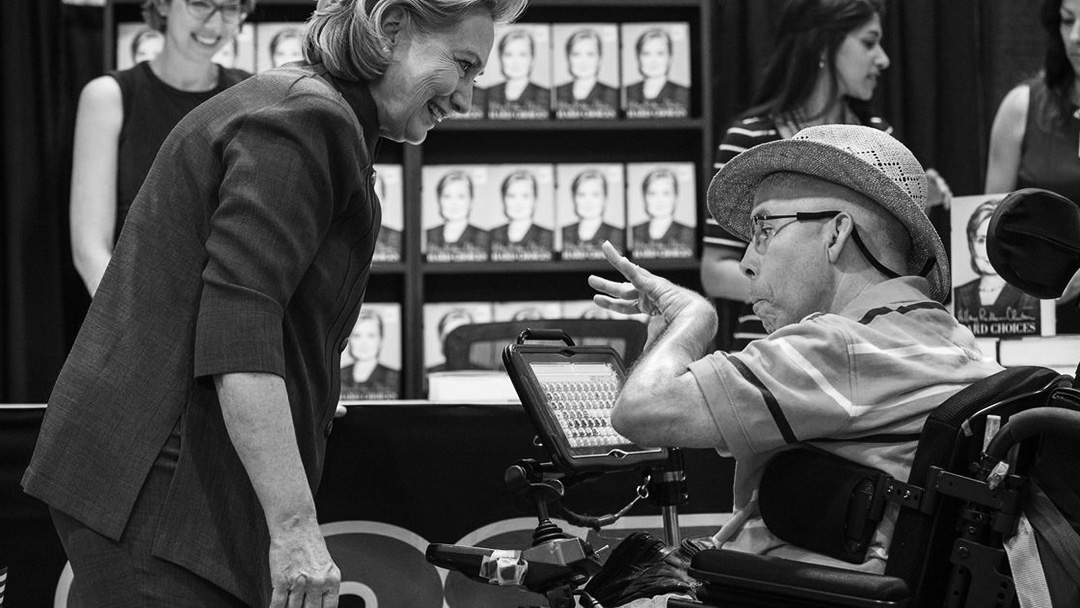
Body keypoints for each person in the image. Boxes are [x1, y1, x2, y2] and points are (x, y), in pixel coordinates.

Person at [23, 1, 525, 606]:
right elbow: (241, 328)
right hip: (162, 495)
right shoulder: (308, 117)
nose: (466, 98)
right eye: (462, 65)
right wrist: (294, 527)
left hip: (161, 491)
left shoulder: (309, 106)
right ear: (391, 29)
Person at [588, 125, 1002, 606]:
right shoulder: (955, 341)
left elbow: (639, 410)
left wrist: (692, 319)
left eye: (764, 230)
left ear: (836, 233)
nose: (745, 262)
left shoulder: (836, 348)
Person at [700, 0, 951, 352]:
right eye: (868, 42)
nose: (883, 59)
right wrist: (802, 290)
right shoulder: (750, 137)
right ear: (823, 44)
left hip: (864, 342)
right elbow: (715, 270)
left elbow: (890, 260)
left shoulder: (879, 140)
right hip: (768, 343)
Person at [70, 0, 256, 297]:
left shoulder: (250, 96)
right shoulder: (108, 97)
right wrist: (130, 326)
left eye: (230, 8)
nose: (214, 22)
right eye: (200, 4)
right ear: (164, 5)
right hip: (132, 313)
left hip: (222, 316)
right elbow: (89, 249)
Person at [984, 0, 1080, 333]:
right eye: (1067, 21)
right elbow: (991, 226)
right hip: (1034, 324)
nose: (1076, 36)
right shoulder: (1021, 106)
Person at [953, 199, 1041, 334]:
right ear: (972, 244)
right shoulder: (958, 295)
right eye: (981, 240)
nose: (989, 250)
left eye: (998, 239)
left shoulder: (1029, 296)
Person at [623, 27, 690, 117]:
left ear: (670, 58)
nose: (653, 61)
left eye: (660, 53)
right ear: (638, 58)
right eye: (646, 54)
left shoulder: (683, 93)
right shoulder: (626, 92)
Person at [426, 169, 491, 261]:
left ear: (471, 201)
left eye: (461, 196)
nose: (454, 203)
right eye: (447, 196)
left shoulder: (485, 237)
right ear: (439, 200)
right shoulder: (426, 235)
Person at [490, 169, 554, 261]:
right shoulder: (491, 235)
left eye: (525, 196)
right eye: (511, 196)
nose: (518, 203)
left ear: (535, 200)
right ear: (503, 200)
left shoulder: (549, 236)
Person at [486, 28, 550, 119]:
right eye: (509, 54)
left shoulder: (547, 95)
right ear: (501, 58)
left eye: (522, 54)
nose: (515, 62)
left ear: (532, 59)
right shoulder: (487, 93)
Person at [554, 28, 618, 118]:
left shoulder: (614, 95)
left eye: (590, 54)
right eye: (576, 54)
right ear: (568, 58)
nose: (583, 61)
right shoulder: (555, 93)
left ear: (599, 58)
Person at [630, 167, 694, 257]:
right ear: (644, 197)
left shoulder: (690, 234)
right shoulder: (631, 232)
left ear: (676, 197)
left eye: (666, 193)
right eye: (652, 193)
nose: (659, 200)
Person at [561, 168, 624, 259]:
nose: (588, 201)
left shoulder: (618, 235)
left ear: (605, 199)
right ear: (574, 198)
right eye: (582, 194)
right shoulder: (562, 233)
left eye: (595, 195)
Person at [340, 309, 401, 400]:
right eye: (357, 336)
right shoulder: (338, 376)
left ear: (381, 340)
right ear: (349, 341)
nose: (364, 343)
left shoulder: (396, 378)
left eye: (371, 336)